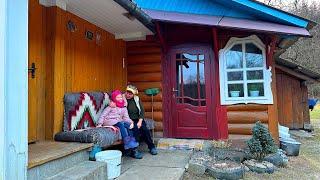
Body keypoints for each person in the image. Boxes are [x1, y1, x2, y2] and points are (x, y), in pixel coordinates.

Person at [98, 90, 143, 159]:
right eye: (118, 97)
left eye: (121, 97)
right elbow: (103, 115)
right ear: (114, 98)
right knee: (121, 124)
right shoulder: (110, 106)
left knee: (129, 126)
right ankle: (127, 142)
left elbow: (126, 117)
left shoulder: (123, 107)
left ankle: (132, 145)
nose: (120, 99)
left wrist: (131, 123)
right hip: (109, 121)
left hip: (119, 121)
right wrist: (100, 124)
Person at [124, 85, 158, 155]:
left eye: (130, 94)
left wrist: (140, 121)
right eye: (127, 93)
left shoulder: (137, 99)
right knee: (135, 129)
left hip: (138, 119)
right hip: (128, 119)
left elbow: (142, 111)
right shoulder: (122, 98)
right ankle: (134, 150)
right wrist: (131, 121)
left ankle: (151, 147)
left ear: (134, 94)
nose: (128, 95)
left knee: (145, 129)